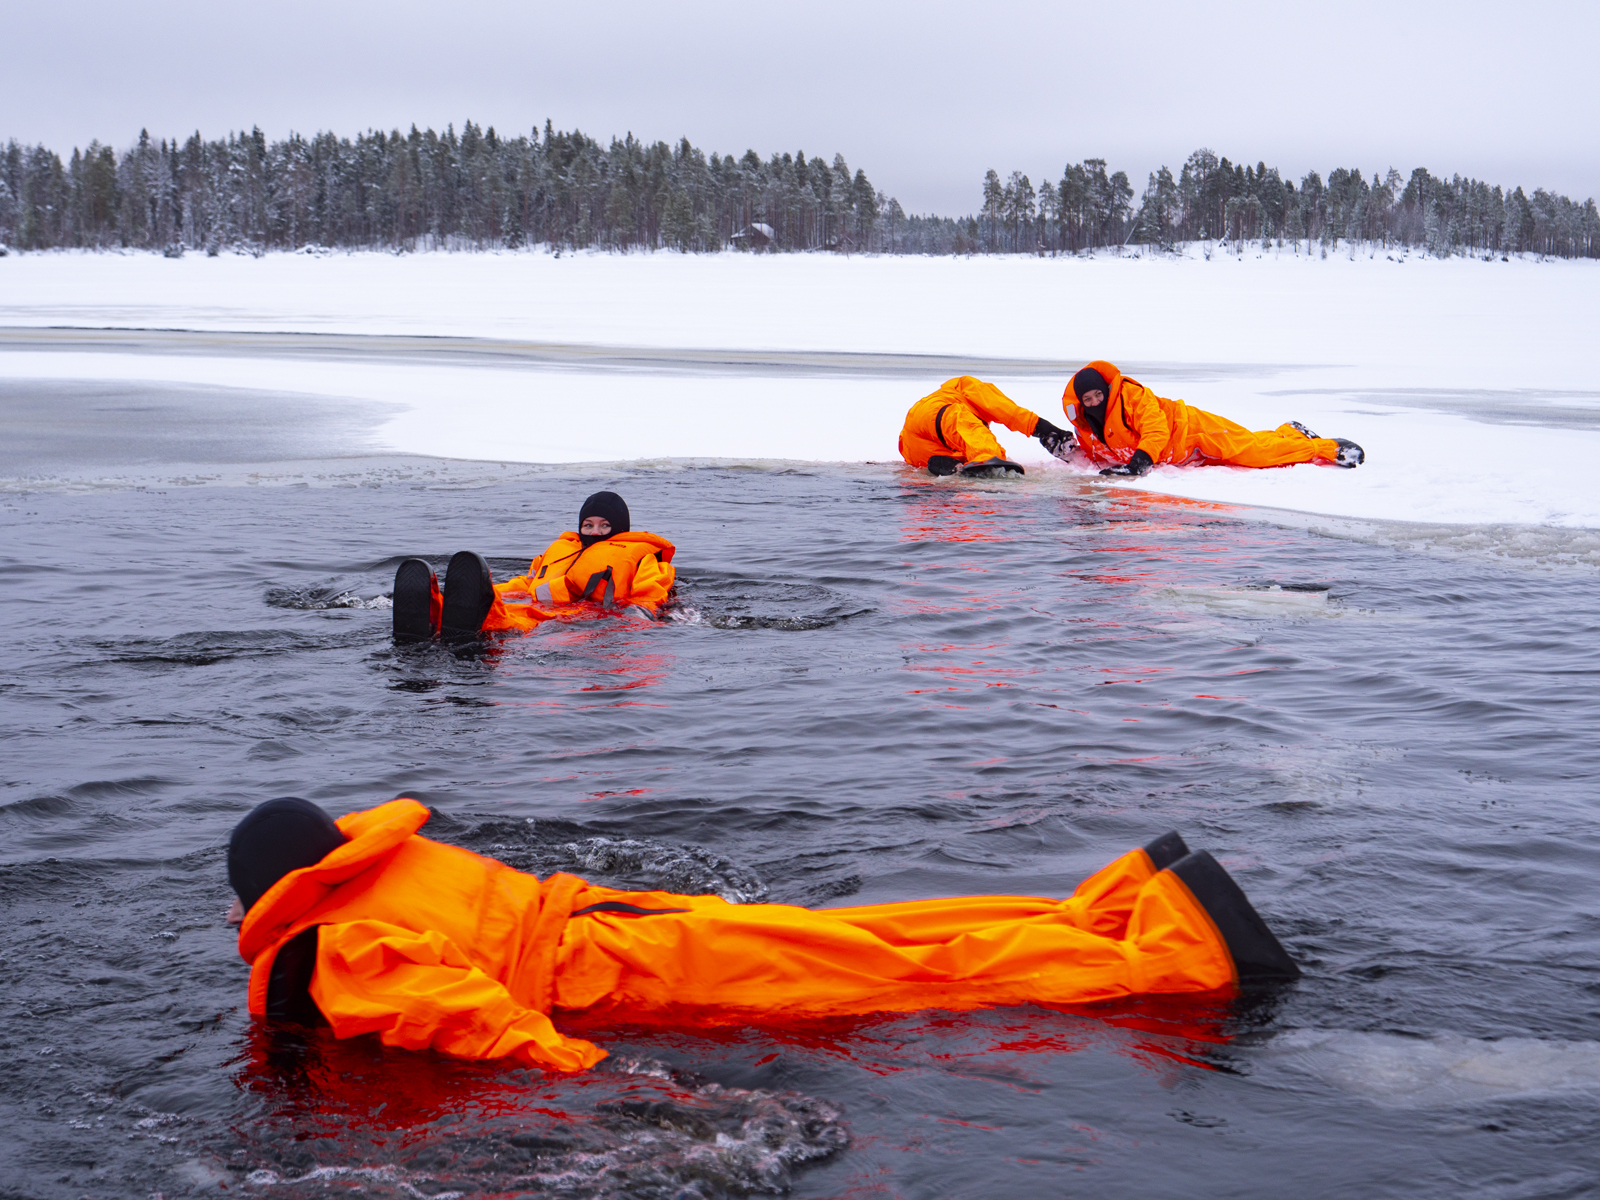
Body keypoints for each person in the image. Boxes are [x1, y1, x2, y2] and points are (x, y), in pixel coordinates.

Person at [227, 795, 1300, 1074]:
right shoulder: (394, 859)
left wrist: (596, 1078)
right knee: (870, 938)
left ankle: (1176, 951)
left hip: (625, 973)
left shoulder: (327, 950)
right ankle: (1117, 897)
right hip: (630, 916)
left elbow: (474, 1020)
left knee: (899, 988)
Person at [392, 491, 676, 642]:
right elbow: (529, 583)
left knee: (521, 620)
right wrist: (488, 589)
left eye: (605, 525)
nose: (595, 531)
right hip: (547, 607)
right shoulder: (562, 549)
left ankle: (474, 620)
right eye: (588, 524)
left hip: (588, 615)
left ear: (621, 528)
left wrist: (637, 616)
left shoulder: (641, 556)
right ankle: (438, 609)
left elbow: (651, 594)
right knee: (516, 608)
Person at [1063, 361, 1365, 476]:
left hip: (1193, 432)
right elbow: (1096, 454)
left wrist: (1138, 464)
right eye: (1088, 400)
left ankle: (1323, 448)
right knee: (1245, 448)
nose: (1094, 403)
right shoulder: (1087, 426)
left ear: (1106, 391)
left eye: (1098, 396)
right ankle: (1288, 432)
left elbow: (1155, 430)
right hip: (1183, 456)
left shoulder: (1132, 398)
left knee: (1255, 455)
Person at [899, 376, 1077, 477]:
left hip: (912, 444)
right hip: (937, 414)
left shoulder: (953, 397)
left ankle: (953, 467)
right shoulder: (969, 388)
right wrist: (1042, 429)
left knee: (969, 457)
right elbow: (1007, 411)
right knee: (985, 450)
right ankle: (982, 466)